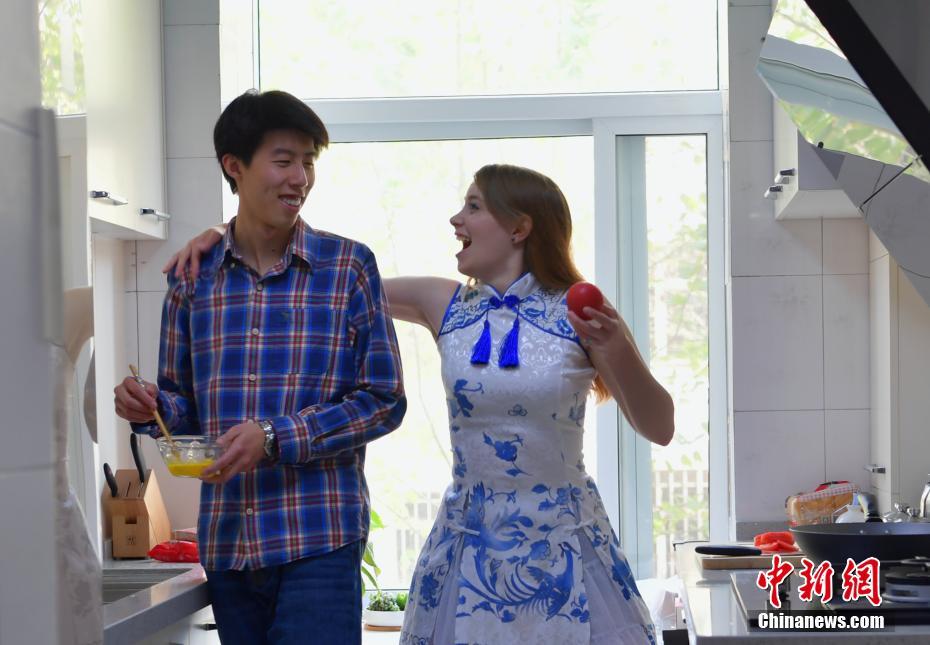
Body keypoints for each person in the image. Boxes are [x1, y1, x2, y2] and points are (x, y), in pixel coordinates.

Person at [166, 163, 674, 644]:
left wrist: (616, 347)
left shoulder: (581, 310)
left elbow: (661, 427)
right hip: (468, 545)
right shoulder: (444, 302)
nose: (456, 219)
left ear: (519, 228)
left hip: (565, 545)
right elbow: (327, 281)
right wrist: (223, 234)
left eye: (473, 207)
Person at [113, 89, 406, 645]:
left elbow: (384, 400)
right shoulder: (193, 278)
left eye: (308, 162)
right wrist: (148, 407)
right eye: (284, 160)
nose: (300, 178)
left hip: (319, 539)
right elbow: (182, 408)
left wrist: (274, 437)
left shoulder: (347, 267)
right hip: (229, 545)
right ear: (235, 165)